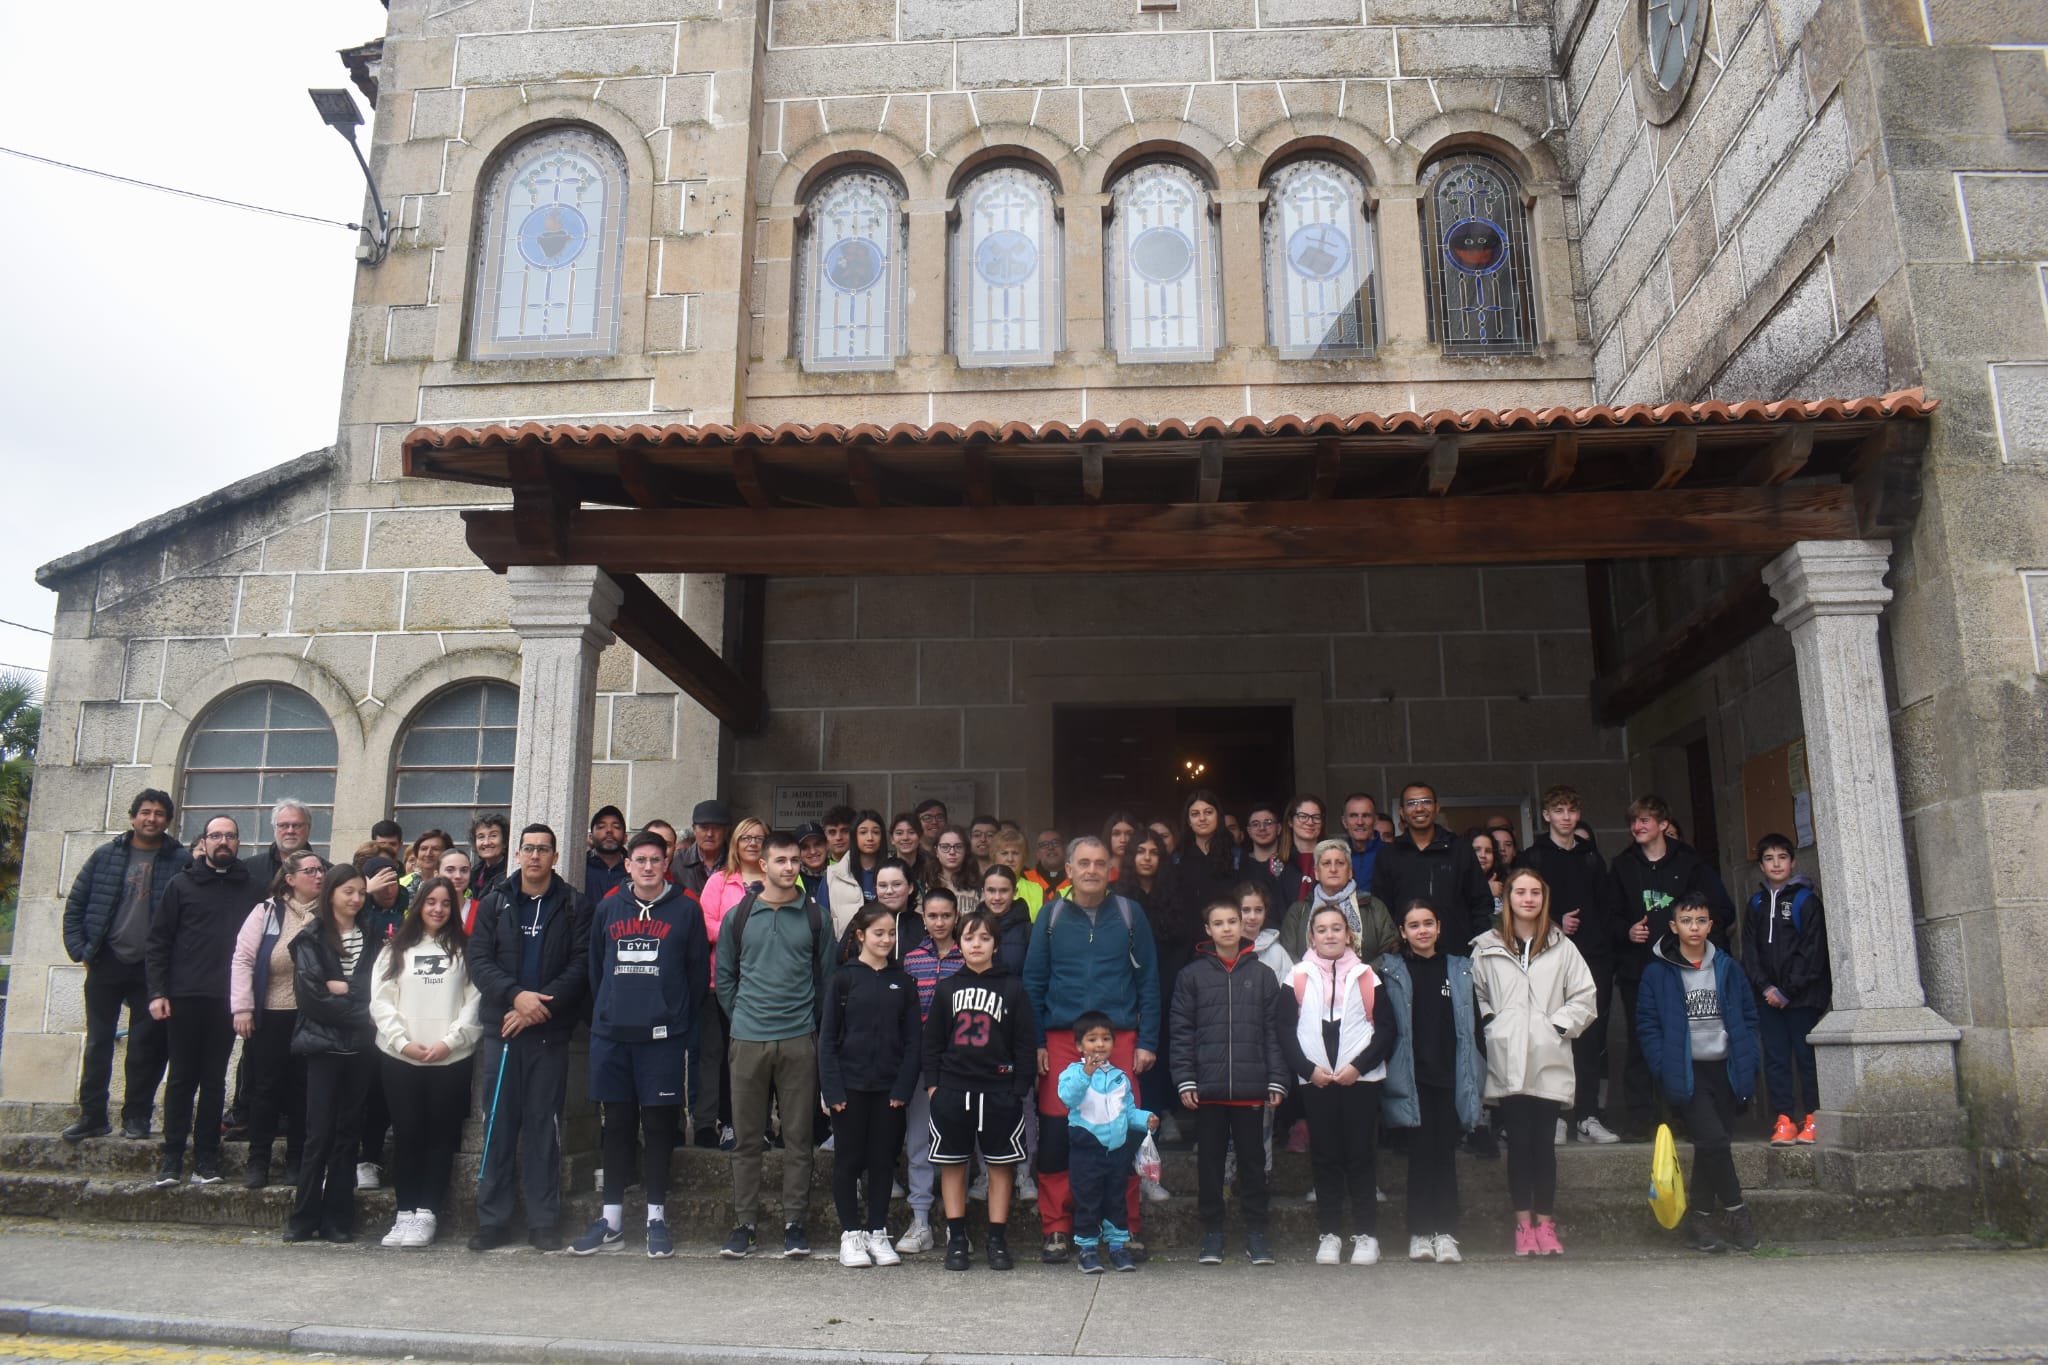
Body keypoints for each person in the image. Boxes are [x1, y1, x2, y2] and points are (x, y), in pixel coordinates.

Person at [1023, 836, 1161, 1263]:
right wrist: (1037, 1042)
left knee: (1123, 1132)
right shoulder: (1050, 916)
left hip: (1118, 1039)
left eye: (1100, 863)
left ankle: (1125, 1226)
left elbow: (1149, 981)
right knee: (1058, 1135)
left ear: (1110, 870)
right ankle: (1058, 1226)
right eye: (1083, 863)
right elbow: (1033, 983)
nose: (1091, 870)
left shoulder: (1129, 913)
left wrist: (1148, 1041)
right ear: (1068, 869)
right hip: (1062, 1040)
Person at [570, 831, 708, 1259]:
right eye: (640, 860)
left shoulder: (686, 909)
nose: (648, 867)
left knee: (659, 1126)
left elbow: (696, 974)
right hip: (613, 1035)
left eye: (655, 860)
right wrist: (610, 1012)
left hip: (661, 1037)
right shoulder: (609, 907)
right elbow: (597, 969)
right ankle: (611, 1220)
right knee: (617, 1125)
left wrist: (673, 1019)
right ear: (628, 865)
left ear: (667, 864)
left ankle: (655, 1218)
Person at [466, 823, 592, 1252]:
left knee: (543, 1128)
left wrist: (537, 1009)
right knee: (497, 1126)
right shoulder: (494, 901)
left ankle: (543, 1221)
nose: (535, 855)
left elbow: (580, 966)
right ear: (517, 855)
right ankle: (492, 1220)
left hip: (548, 1034)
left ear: (555, 857)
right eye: (528, 848)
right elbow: (479, 960)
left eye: (543, 849)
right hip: (502, 1031)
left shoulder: (574, 905)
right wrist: (515, 997)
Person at [716, 830, 835, 1260]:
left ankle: (794, 1224)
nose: (789, 867)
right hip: (748, 1039)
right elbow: (724, 977)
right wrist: (742, 1018)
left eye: (794, 860)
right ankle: (744, 1224)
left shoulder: (816, 917)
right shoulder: (739, 916)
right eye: (780, 860)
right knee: (747, 1139)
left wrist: (809, 1026)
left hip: (799, 1038)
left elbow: (827, 980)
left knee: (798, 1138)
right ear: (763, 865)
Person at [1472, 869, 1599, 1257]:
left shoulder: (1562, 946)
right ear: (1508, 899)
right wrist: (1492, 1024)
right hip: (1507, 1056)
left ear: (1544, 899)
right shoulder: (1486, 946)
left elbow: (1585, 996)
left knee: (1544, 1146)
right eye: (1520, 892)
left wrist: (1556, 1026)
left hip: (1548, 1056)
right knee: (1519, 1144)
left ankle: (1545, 1224)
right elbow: (1475, 994)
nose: (1528, 899)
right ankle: (1523, 1226)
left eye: (1535, 893)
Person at [1641, 891, 1764, 1253]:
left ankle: (1699, 1221)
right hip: (1686, 1070)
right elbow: (1647, 1024)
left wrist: (1749, 1056)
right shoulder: (1657, 972)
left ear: (1711, 926)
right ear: (1673, 926)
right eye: (1686, 921)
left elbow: (1749, 1016)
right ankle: (1738, 1211)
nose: (1693, 928)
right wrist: (1663, 1065)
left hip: (1725, 1068)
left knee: (1712, 1146)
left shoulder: (1728, 967)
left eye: (1700, 921)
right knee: (1713, 1141)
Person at [61, 789, 182, 1143]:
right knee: (98, 1043)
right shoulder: (106, 856)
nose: (151, 818)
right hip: (106, 961)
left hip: (152, 968)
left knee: (145, 1048)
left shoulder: (180, 860)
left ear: (167, 820)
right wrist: (82, 951)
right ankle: (92, 1116)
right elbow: (76, 906)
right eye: (145, 812)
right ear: (133, 817)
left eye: (159, 813)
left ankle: (137, 1117)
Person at [1172, 896, 1288, 1266]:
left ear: (1242, 926)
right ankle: (1213, 1232)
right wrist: (1186, 1078)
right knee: (1210, 1162)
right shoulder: (1192, 976)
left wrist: (1277, 1078)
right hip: (1208, 1090)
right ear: (1208, 929)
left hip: (1251, 1089)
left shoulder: (1263, 975)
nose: (1226, 928)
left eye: (1232, 922)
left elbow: (1274, 1032)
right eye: (1218, 923)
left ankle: (1256, 1232)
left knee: (1254, 1162)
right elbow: (1181, 1032)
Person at [1608, 794, 1731, 1140]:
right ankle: (1641, 1118)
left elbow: (1716, 911)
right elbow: (1608, 915)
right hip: (1638, 971)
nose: (1637, 827)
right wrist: (1627, 931)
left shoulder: (1690, 863)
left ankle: (1684, 1116)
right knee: (1640, 1042)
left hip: (1684, 971)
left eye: (1644, 820)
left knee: (1682, 1041)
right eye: (1634, 821)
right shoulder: (1622, 865)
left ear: (1663, 824)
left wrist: (1700, 950)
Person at [371, 875, 483, 1250]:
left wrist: (449, 1042)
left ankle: (427, 1213)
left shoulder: (465, 950)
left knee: (440, 1137)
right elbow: (381, 1001)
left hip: (450, 1059)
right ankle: (404, 1212)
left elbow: (474, 1003)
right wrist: (403, 1043)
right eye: (431, 902)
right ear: (418, 904)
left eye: (446, 903)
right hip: (400, 1057)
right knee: (407, 1135)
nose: (438, 909)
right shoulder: (394, 949)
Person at [1283, 903, 1398, 1266]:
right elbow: (1284, 1031)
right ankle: (1330, 1233)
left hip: (1359, 1080)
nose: (1330, 935)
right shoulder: (1297, 976)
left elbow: (1386, 1030)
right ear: (1311, 936)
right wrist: (1308, 1070)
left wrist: (1358, 1067)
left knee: (1361, 1155)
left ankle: (1367, 1235)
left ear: (1349, 935)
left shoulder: (1367, 976)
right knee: (1325, 1156)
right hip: (1316, 1080)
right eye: (1322, 929)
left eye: (1337, 928)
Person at [924, 911, 1036, 1272]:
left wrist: (1018, 1088)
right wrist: (934, 1087)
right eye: (970, 938)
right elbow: (932, 1042)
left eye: (984, 938)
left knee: (1001, 1166)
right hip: (954, 1090)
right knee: (953, 1164)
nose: (976, 944)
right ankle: (957, 1239)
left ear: (995, 945)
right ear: (959, 943)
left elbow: (1024, 1042)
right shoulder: (947, 988)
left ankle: (996, 1239)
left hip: (999, 1090)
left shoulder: (1013, 988)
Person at [146, 815, 254, 1187]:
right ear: (204, 842)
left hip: (228, 1000)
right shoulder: (180, 885)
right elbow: (158, 941)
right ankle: (172, 1156)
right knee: (180, 1078)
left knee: (214, 1080)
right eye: (216, 835)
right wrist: (157, 992)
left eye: (230, 835)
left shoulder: (250, 888)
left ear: (238, 842)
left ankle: (206, 1157)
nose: (223, 841)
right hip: (184, 997)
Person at [1379, 899, 1481, 1264]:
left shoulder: (1459, 969)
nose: (1422, 930)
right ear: (1403, 932)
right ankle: (1420, 1233)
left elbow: (1473, 1027)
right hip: (1413, 1079)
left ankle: (1446, 1233)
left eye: (1428, 923)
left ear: (1439, 927)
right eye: (1414, 925)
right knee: (1420, 1157)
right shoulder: (1391, 971)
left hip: (1450, 1077)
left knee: (1445, 1156)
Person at [1516, 785, 1619, 1144]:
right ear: (1546, 815)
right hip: (1546, 958)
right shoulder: (1533, 858)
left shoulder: (1591, 858)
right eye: (1558, 811)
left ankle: (1587, 1115)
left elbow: (1606, 909)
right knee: (1551, 1037)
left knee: (1589, 1038)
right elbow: (1518, 907)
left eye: (1571, 811)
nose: (1565, 817)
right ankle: (1556, 1116)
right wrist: (1555, 922)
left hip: (1591, 959)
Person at [819, 904, 921, 1268]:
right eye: (879, 933)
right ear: (861, 935)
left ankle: (877, 1232)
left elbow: (913, 1041)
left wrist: (903, 1088)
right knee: (848, 1161)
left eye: (891, 933)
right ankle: (851, 1234)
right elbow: (827, 1040)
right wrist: (832, 1090)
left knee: (882, 1162)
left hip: (889, 1091)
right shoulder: (843, 979)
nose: (886, 940)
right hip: (850, 1088)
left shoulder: (903, 982)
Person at [285, 863, 379, 1244]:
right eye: (348, 892)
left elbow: (375, 990)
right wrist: (360, 1009)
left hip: (361, 1048)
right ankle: (302, 1218)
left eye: (361, 893)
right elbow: (311, 997)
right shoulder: (311, 937)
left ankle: (338, 1219)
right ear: (332, 894)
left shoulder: (373, 936)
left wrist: (344, 989)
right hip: (323, 1045)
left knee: (348, 1134)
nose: (356, 899)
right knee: (318, 1135)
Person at [229, 850, 323, 1188]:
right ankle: (258, 1160)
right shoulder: (267, 912)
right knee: (265, 1089)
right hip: (270, 1013)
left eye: (321, 870)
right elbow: (243, 959)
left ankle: (296, 1161)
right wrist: (242, 1008)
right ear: (290, 879)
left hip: (311, 1016)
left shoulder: (329, 915)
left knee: (303, 1090)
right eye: (310, 871)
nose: (319, 875)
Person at [1741, 834, 1829, 1147]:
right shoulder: (1756, 903)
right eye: (1769, 858)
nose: (1776, 864)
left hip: (1802, 997)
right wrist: (1765, 986)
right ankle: (1784, 1119)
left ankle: (1813, 1116)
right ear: (1761, 866)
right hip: (1767, 998)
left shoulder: (1807, 901)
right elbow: (1750, 950)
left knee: (1806, 1057)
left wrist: (1788, 990)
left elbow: (1812, 951)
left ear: (1792, 862)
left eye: (1782, 857)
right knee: (1776, 1059)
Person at [1055, 1011, 1156, 1274]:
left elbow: (1128, 1112)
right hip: (1086, 1152)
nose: (1100, 1044)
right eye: (1092, 1039)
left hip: (1116, 1152)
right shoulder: (1072, 1073)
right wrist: (1086, 1074)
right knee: (1087, 1201)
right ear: (1079, 1045)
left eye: (1106, 1038)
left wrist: (1145, 1119)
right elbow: (1068, 1098)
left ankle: (1117, 1246)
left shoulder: (1120, 1077)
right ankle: (1087, 1249)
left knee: (1116, 1200)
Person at [897, 884, 964, 1252]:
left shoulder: (966, 957)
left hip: (959, 1063)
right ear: (923, 918)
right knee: (919, 1140)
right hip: (922, 1062)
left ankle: (957, 1224)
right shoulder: (911, 960)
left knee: (956, 1141)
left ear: (956, 917)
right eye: (933, 916)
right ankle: (920, 1218)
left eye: (946, 916)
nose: (939, 922)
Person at [1371, 782, 1493, 955]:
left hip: (1458, 955)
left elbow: (1481, 903)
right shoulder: (1389, 855)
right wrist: (1394, 947)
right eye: (1412, 803)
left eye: (1426, 801)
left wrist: (1479, 946)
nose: (1419, 808)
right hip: (1405, 956)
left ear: (1437, 808)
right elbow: (1382, 909)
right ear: (1402, 812)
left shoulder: (1460, 850)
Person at [352, 853, 406, 1189]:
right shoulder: (358, 910)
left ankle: (381, 1159)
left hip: (400, 1012)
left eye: (393, 880)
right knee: (361, 1092)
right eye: (380, 881)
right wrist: (365, 894)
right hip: (360, 1013)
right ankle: (361, 1158)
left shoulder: (410, 909)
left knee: (389, 1093)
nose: (388, 888)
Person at [1280, 838, 1397, 962]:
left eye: (1340, 863)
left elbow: (1390, 952)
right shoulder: (1299, 911)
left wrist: (1364, 972)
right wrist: (1311, 974)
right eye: (1326, 863)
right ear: (1316, 873)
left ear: (1350, 871)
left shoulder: (1373, 907)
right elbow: (1287, 956)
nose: (1333, 869)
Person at [825, 809, 888, 936]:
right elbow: (823, 920)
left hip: (886, 942)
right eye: (863, 832)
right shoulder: (833, 874)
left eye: (876, 832)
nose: (870, 838)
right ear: (854, 836)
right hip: (845, 945)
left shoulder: (895, 872)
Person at [1275, 795, 1327, 909]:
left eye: (1316, 817)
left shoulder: (1332, 861)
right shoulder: (1276, 863)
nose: (1310, 822)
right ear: (1290, 821)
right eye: (1303, 816)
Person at [671, 799, 730, 895]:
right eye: (704, 827)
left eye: (716, 828)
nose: (710, 834)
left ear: (726, 831)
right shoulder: (677, 861)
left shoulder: (737, 861)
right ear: (694, 830)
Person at [988, 828, 1044, 919]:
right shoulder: (984, 889)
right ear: (994, 856)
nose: (1010, 859)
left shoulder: (1038, 891)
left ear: (1024, 857)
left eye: (1015, 853)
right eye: (1004, 853)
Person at [1340, 794, 1384, 895]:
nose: (1360, 822)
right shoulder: (1336, 855)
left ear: (1375, 821)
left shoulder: (1391, 854)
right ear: (1344, 822)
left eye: (1366, 816)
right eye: (1353, 816)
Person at [585, 806, 629, 904]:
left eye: (616, 827)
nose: (609, 830)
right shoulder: (581, 867)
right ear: (590, 837)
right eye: (601, 827)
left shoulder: (634, 869)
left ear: (625, 838)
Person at [932, 826, 981, 914]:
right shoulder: (925, 884)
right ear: (936, 851)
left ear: (966, 850)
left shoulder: (979, 885)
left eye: (958, 847)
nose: (952, 852)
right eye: (945, 847)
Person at [438, 846, 479, 932]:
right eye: (450, 870)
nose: (458, 876)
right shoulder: (426, 910)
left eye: (464, 870)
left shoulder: (481, 909)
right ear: (436, 874)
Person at [470, 814, 510, 902]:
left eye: (493, 836)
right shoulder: (473, 874)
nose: (486, 842)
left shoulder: (510, 873)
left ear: (504, 841)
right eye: (481, 837)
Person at [399, 830, 452, 895]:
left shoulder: (455, 882)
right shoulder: (401, 883)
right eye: (423, 849)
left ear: (447, 853)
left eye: (436, 849)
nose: (428, 853)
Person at [794, 822, 832, 909]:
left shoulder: (844, 871)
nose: (813, 851)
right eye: (804, 847)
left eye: (817, 844)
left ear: (827, 845)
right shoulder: (789, 876)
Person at [1470, 830, 1504, 915]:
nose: (1483, 855)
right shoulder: (1455, 882)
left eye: (1488, 851)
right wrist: (1486, 891)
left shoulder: (1503, 880)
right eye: (1477, 850)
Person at [1027, 830, 1064, 903]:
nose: (1051, 847)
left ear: (1064, 849)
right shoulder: (1026, 878)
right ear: (1037, 854)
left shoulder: (1075, 879)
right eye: (1044, 845)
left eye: (1056, 843)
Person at [1101, 811, 1140, 880]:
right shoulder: (1101, 870)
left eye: (1129, 834)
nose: (1123, 840)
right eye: (1116, 834)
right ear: (1108, 836)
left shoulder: (1142, 869)